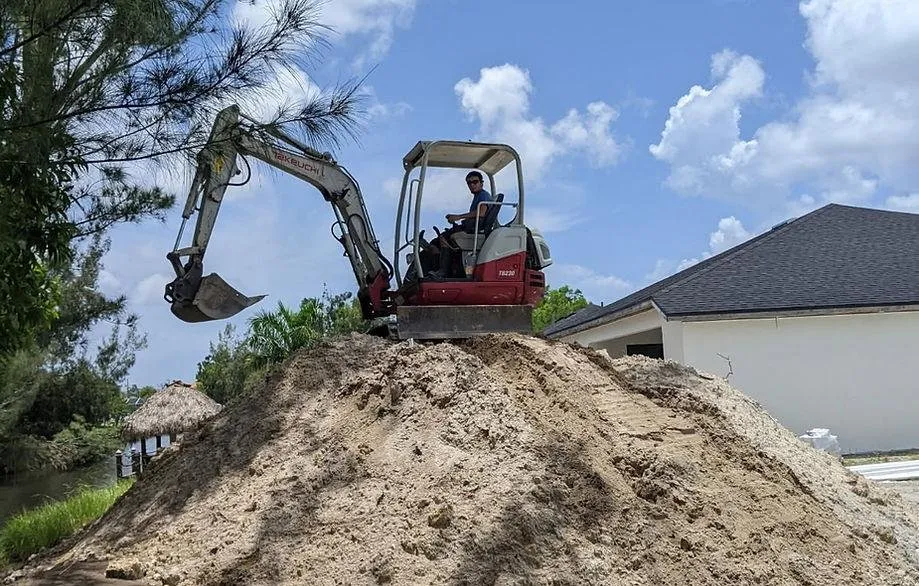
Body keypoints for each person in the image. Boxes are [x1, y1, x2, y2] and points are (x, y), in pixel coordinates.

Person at [428, 171, 493, 278]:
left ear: (481, 183)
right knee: (436, 242)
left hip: (474, 230)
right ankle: (441, 269)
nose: (472, 185)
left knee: (443, 238)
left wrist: (458, 217)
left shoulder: (483, 195)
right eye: (469, 183)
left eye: (475, 182)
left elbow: (481, 213)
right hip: (469, 227)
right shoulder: (478, 196)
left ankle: (443, 272)